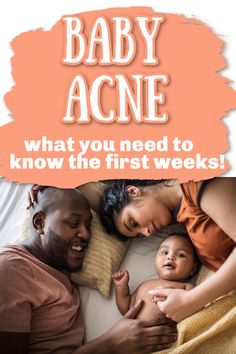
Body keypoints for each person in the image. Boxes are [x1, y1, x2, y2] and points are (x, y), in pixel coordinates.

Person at [0, 187, 177, 354]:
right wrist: (111, 344)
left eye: (88, 225)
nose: (85, 234)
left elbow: (118, 194)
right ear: (39, 222)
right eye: (73, 223)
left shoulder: (54, 267)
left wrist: (60, 177)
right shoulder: (11, 269)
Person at [100, 178, 236, 321]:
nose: (147, 233)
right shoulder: (183, 214)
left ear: (133, 191)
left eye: (133, 223)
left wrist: (191, 301)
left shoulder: (197, 182)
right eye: (140, 235)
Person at [113, 233, 198, 321]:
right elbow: (126, 309)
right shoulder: (144, 286)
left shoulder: (187, 288)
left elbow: (196, 307)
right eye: (165, 252)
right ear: (155, 259)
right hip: (134, 332)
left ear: (193, 268)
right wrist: (121, 287)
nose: (170, 257)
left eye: (181, 255)